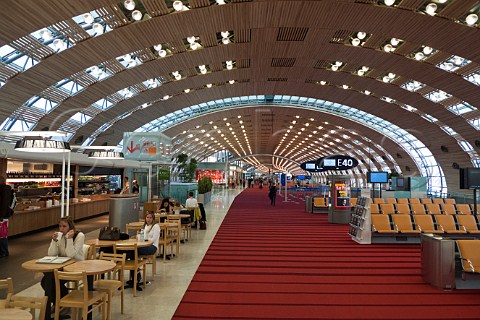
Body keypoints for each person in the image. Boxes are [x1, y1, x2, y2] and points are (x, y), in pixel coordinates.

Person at [41, 217, 85, 319]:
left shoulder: (79, 236)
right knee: (46, 281)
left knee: (52, 281)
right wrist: (54, 241)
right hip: (62, 266)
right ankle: (61, 303)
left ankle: (60, 304)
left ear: (71, 227)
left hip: (76, 267)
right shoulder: (60, 236)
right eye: (60, 226)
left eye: (64, 226)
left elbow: (71, 254)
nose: (61, 229)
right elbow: (51, 254)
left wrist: (69, 239)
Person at [125, 212, 159, 291]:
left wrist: (144, 240)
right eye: (147, 217)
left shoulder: (156, 226)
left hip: (152, 247)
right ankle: (136, 277)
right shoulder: (145, 226)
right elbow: (140, 235)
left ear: (153, 218)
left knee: (132, 252)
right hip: (143, 245)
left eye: (150, 217)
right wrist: (139, 236)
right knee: (133, 252)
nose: (149, 219)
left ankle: (136, 277)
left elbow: (153, 239)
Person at [0, 176, 12, 258]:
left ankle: (4, 251)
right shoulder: (6, 189)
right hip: (3, 215)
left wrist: (1, 215)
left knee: (2, 234)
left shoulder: (5, 189)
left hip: (2, 216)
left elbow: (4, 204)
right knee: (2, 234)